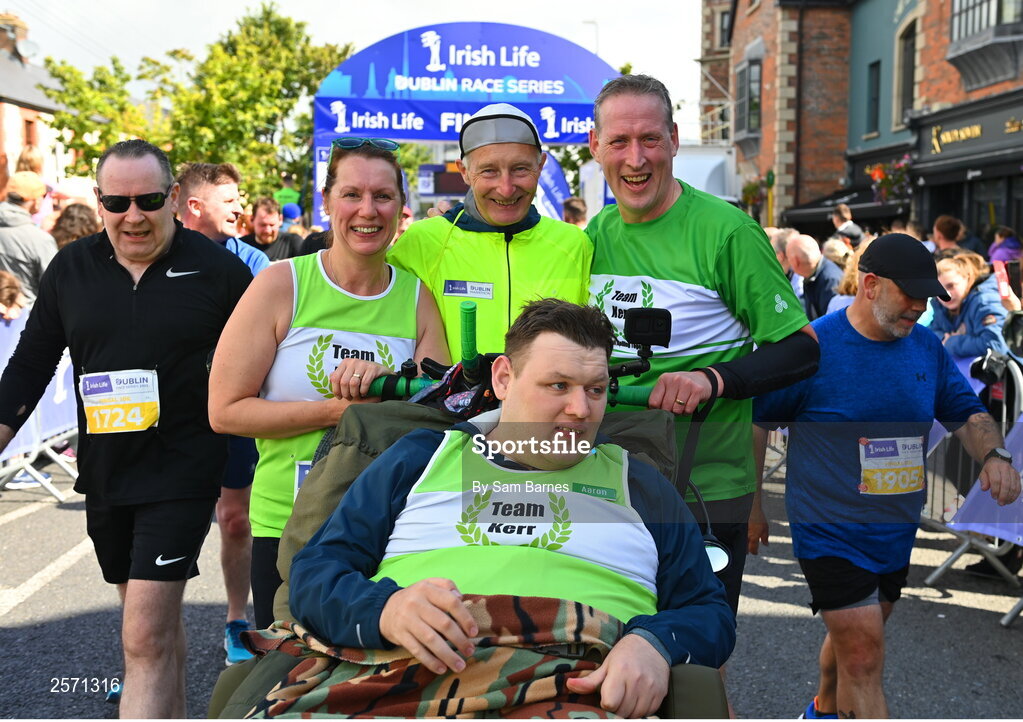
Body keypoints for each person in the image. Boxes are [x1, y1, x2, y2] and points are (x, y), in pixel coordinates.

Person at [288, 299, 735, 718]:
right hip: (408, 672)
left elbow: (708, 611)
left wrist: (655, 643)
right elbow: (316, 571)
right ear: (503, 378)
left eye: (596, 390)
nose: (580, 409)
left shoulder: (638, 483)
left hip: (573, 683)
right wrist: (384, 609)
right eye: (557, 385)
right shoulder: (422, 458)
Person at [0, 139, 252, 717]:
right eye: (117, 201)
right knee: (154, 633)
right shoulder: (72, 268)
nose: (133, 215)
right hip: (108, 473)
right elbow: (29, 368)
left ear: (172, 199)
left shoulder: (218, 270)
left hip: (185, 468)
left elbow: (272, 355)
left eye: (147, 199)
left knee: (139, 636)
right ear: (100, 201)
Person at [752, 233, 1020, 719]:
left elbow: (965, 411)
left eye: (927, 297)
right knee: (865, 654)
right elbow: (757, 421)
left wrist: (996, 455)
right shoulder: (811, 347)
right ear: (870, 285)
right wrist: (749, 506)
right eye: (910, 295)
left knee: (857, 640)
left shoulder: (925, 349)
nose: (920, 307)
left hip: (894, 530)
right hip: (828, 528)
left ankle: (822, 710)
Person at [586, 74, 818, 620]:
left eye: (649, 139)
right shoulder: (592, 237)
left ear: (673, 139)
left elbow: (802, 350)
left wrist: (712, 381)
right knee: (613, 649)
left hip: (704, 490)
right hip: (613, 480)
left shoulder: (727, 232)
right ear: (596, 148)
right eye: (619, 141)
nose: (635, 157)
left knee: (694, 661)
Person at [207, 137, 449, 630]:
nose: (368, 210)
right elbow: (225, 410)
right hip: (288, 524)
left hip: (386, 526)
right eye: (352, 194)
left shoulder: (417, 297)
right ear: (326, 202)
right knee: (289, 677)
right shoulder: (281, 284)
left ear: (402, 208)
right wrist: (336, 413)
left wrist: (391, 388)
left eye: (384, 196)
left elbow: (440, 417)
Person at [389, 102, 592, 361]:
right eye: (489, 171)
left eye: (520, 169)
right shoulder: (422, 242)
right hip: (445, 403)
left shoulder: (575, 245)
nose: (506, 188)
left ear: (540, 166)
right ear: (464, 172)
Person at [176, 161, 272, 666]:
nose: (241, 207)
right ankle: (151, 636)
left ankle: (238, 618)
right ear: (195, 206)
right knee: (165, 519)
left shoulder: (255, 264)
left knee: (235, 520)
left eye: (241, 198)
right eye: (230, 199)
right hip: (175, 416)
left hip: (234, 412)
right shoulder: (158, 253)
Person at [929, 251, 1014, 359]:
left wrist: (952, 342)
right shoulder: (939, 303)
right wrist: (944, 339)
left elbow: (996, 344)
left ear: (967, 278)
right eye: (939, 289)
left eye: (951, 286)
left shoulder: (984, 301)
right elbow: (932, 331)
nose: (946, 294)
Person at [0, 171, 57, 303]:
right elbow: (54, 287)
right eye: (43, 195)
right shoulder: (40, 240)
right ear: (35, 201)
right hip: (27, 316)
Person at [787, 234, 844, 320]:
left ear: (795, 262)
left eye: (788, 258)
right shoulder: (812, 275)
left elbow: (832, 324)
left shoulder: (830, 280)